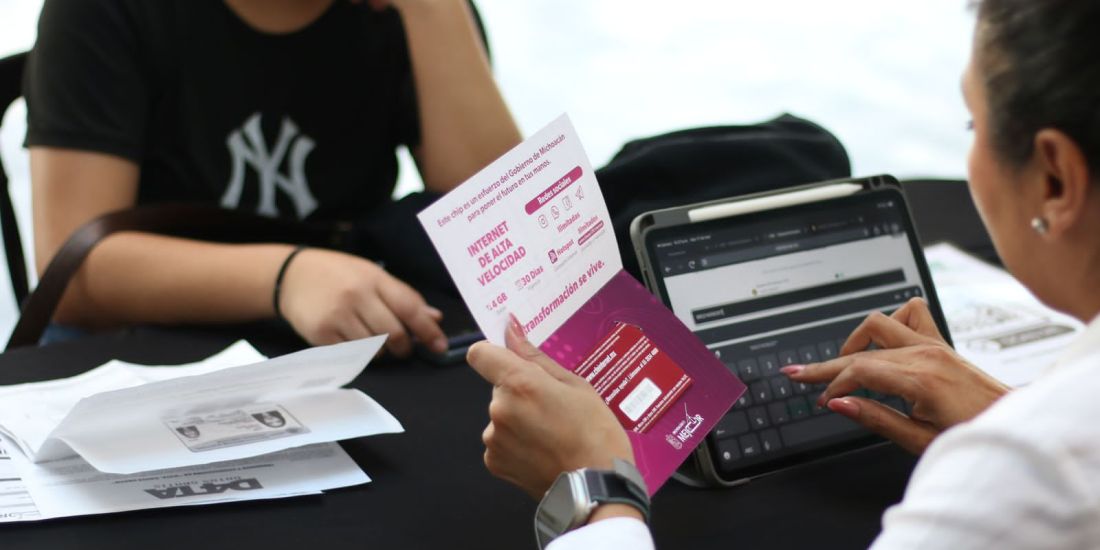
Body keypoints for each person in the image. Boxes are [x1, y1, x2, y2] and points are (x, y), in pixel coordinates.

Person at [466, 0, 1100, 547]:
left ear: (1055, 179)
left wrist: (595, 490)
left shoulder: (1015, 478)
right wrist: (1005, 414)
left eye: (973, 124)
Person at [23, 0, 521, 354]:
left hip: (341, 332)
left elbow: (507, 231)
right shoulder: (103, 12)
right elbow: (72, 277)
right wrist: (285, 277)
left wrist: (433, 9)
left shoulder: (400, 13)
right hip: (145, 336)